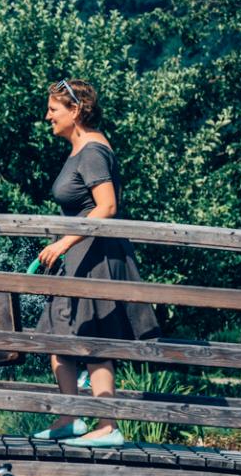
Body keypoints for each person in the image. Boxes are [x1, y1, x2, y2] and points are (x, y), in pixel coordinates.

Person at [32, 78, 159, 447]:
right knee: (58, 334)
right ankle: (70, 417)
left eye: (53, 110)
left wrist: (65, 242)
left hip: (94, 256)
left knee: (92, 336)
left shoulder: (91, 150)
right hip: (77, 257)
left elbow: (107, 206)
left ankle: (107, 425)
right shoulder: (82, 148)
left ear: (75, 111)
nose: (47, 117)